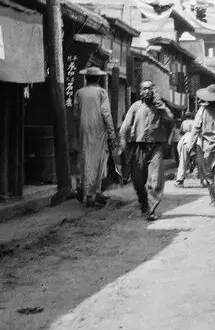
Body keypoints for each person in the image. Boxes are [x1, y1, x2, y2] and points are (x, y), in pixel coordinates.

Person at [119, 80, 173, 220]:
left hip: (156, 147)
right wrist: (123, 144)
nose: (147, 91)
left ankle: (151, 209)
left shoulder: (159, 107)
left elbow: (170, 118)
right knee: (138, 180)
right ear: (140, 91)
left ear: (153, 91)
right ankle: (144, 204)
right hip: (138, 146)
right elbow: (124, 127)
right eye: (144, 88)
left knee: (155, 180)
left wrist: (161, 106)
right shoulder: (136, 106)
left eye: (150, 88)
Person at [73, 66, 116, 207]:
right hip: (99, 131)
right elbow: (106, 114)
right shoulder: (101, 92)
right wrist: (112, 133)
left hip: (83, 131)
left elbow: (75, 114)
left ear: (86, 78)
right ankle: (93, 193)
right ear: (98, 79)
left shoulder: (79, 93)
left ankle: (85, 188)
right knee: (98, 162)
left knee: (85, 160)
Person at [186, 84, 215, 206]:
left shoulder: (202, 110)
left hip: (204, 147)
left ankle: (213, 200)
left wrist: (190, 147)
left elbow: (195, 129)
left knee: (208, 174)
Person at [174, 119, 195, 186]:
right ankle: (206, 180)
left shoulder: (184, 123)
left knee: (182, 162)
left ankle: (180, 180)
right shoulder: (194, 121)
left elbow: (179, 146)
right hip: (194, 142)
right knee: (199, 161)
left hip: (185, 143)